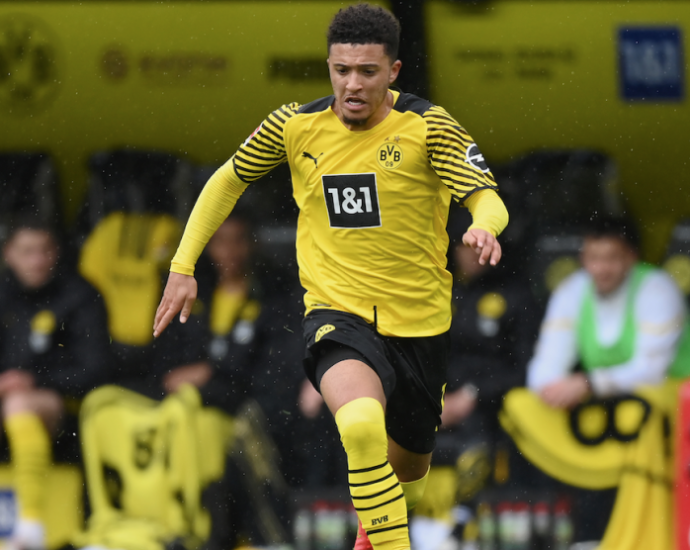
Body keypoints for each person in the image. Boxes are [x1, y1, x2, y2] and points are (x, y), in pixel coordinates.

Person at [153, 5, 509, 550]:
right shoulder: (294, 125)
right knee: (361, 427)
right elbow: (226, 181)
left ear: (393, 71)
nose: (352, 84)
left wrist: (484, 225)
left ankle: (372, 537)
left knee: (408, 476)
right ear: (329, 68)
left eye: (367, 71)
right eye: (342, 70)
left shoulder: (428, 126)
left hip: (420, 324)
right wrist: (182, 266)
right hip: (337, 314)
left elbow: (487, 198)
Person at [500, 216, 690, 549]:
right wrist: (555, 388)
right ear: (583, 258)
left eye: (611, 258)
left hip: (670, 401)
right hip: (605, 406)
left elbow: (651, 370)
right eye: (593, 258)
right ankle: (558, 522)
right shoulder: (573, 290)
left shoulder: (658, 288)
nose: (601, 269)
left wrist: (588, 383)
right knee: (519, 406)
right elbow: (543, 369)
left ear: (631, 257)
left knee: (637, 411)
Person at [0, 215, 112, 550]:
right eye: (27, 251)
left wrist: (34, 380)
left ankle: (30, 524)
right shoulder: (4, 293)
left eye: (45, 250)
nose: (37, 260)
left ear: (57, 252)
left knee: (20, 404)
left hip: (67, 406)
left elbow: (96, 369)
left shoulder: (81, 295)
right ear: (8, 254)